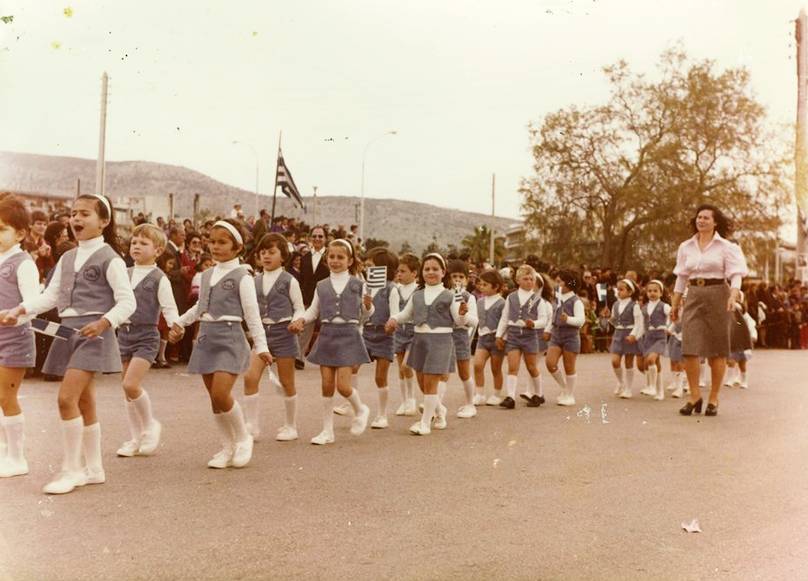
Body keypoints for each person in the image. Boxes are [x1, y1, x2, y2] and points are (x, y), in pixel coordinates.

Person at [1, 194, 136, 494]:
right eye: (73, 213)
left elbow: (128, 302)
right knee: (85, 401)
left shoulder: (110, 258)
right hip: (67, 333)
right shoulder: (67, 258)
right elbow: (50, 296)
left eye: (85, 213)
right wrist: (21, 309)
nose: (76, 218)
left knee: (66, 399)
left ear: (104, 221)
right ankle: (94, 468)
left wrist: (104, 322)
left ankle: (72, 470)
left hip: (94, 334)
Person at [169, 220, 271, 468]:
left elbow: (252, 315)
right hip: (206, 338)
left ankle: (243, 438)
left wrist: (262, 346)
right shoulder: (205, 275)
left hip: (230, 337)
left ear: (237, 247)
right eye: (212, 242)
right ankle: (227, 446)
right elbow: (199, 307)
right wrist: (180, 323)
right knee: (215, 400)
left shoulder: (243, 277)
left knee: (220, 393)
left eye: (222, 242)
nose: (215, 247)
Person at [288, 239, 372, 445]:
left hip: (348, 335)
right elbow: (313, 311)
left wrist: (368, 306)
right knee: (326, 385)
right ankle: (327, 431)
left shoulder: (358, 284)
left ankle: (360, 409)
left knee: (343, 386)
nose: (335, 261)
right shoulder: (322, 285)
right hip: (327, 335)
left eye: (340, 257)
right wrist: (300, 320)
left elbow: (366, 314)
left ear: (349, 261)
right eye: (331, 257)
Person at [671, 204, 748, 417]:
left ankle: (713, 398)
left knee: (717, 350)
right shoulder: (686, 246)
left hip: (718, 295)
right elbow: (681, 277)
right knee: (690, 348)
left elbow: (736, 274)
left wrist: (733, 295)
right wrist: (675, 303)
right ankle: (694, 396)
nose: (701, 220)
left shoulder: (726, 247)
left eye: (706, 218)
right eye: (699, 217)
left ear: (715, 222)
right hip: (694, 294)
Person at [385, 253, 468, 436]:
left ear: (443, 272)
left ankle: (425, 424)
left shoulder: (449, 295)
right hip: (420, 341)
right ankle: (440, 412)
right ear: (422, 272)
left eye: (435, 269)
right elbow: (405, 314)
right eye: (427, 269)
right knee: (423, 383)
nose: (431, 272)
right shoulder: (417, 295)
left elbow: (459, 321)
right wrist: (394, 319)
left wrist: (463, 314)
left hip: (440, 341)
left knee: (431, 382)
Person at [115, 224, 180, 458]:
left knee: (130, 384)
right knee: (127, 391)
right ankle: (135, 438)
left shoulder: (159, 278)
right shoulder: (124, 273)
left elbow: (169, 307)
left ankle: (150, 425)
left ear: (158, 250)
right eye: (134, 242)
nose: (136, 246)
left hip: (146, 336)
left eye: (143, 243)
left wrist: (175, 325)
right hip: (124, 334)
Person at [242, 233, 304, 442]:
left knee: (287, 382)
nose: (266, 256)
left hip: (284, 333)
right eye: (263, 252)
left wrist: (297, 321)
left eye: (272, 252)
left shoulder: (289, 280)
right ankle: (252, 427)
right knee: (250, 377)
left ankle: (291, 426)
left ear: (283, 256)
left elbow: (299, 308)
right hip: (262, 335)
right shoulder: (253, 281)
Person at [0, 195, 39, 478]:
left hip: (15, 340)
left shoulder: (23, 263)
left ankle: (17, 458)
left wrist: (15, 315)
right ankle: (5, 453)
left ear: (21, 234)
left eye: (2, 229)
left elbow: (33, 304)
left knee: (6, 397)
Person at [495, 265, 552, 409]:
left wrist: (534, 324)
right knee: (512, 366)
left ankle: (539, 394)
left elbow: (544, 319)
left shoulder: (537, 300)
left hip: (530, 336)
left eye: (531, 279)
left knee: (531, 367)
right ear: (518, 280)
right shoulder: (511, 297)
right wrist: (499, 335)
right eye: (525, 279)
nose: (529, 281)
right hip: (513, 335)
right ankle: (510, 397)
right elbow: (504, 317)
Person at [358, 248, 400, 429]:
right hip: (367, 333)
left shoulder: (391, 288)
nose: (366, 269)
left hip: (385, 335)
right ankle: (352, 404)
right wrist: (365, 307)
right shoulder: (365, 287)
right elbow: (361, 314)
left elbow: (395, 313)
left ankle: (382, 415)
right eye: (366, 265)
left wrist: (392, 322)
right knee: (352, 368)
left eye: (370, 265)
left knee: (380, 377)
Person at [544, 270, 584, 406]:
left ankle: (570, 395)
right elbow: (553, 317)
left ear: (569, 283)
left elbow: (581, 321)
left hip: (571, 336)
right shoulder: (557, 299)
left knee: (569, 367)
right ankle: (564, 387)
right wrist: (547, 330)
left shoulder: (576, 301)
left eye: (559, 281)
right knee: (550, 363)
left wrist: (568, 319)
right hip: (556, 334)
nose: (557, 284)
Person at [446, 259, 479, 418]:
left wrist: (463, 315)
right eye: (454, 276)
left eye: (461, 276)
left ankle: (470, 404)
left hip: (460, 335)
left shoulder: (469, 297)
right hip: (444, 335)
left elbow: (475, 321)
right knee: (442, 372)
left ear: (466, 279)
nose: (457, 280)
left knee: (464, 372)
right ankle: (435, 404)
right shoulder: (444, 294)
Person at [472, 269, 506, 406]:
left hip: (497, 339)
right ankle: (479, 394)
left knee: (495, 368)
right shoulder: (479, 302)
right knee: (477, 365)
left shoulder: (502, 303)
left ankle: (497, 394)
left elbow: (505, 322)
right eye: (480, 284)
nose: (481, 287)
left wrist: (502, 338)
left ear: (496, 286)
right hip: (482, 338)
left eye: (485, 284)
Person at [297, 226, 330, 369]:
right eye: (315, 236)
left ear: (325, 238)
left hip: (327, 299)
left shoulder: (330, 256)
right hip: (308, 300)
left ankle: (329, 357)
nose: (317, 239)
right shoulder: (304, 258)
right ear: (310, 238)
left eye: (320, 236)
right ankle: (298, 357)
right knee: (304, 329)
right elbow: (302, 280)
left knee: (328, 329)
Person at [393, 253, 419, 416]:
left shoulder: (419, 290)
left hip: (414, 332)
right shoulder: (396, 290)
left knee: (406, 366)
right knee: (400, 368)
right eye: (398, 271)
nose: (399, 274)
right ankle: (403, 401)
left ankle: (411, 400)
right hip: (399, 332)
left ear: (414, 273)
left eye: (403, 271)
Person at [609, 279, 643, 399]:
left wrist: (634, 335)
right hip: (618, 334)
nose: (618, 292)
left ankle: (628, 388)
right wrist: (610, 319)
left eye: (621, 289)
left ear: (630, 292)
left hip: (629, 334)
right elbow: (615, 321)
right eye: (617, 289)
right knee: (615, 361)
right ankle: (621, 382)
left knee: (629, 362)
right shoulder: (615, 304)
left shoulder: (635, 305)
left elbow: (639, 323)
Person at [639, 279, 671, 402]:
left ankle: (652, 386)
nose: (652, 293)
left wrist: (668, 327)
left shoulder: (664, 306)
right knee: (655, 363)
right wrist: (637, 335)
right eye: (649, 291)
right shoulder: (644, 308)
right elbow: (641, 324)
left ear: (661, 293)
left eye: (655, 291)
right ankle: (660, 391)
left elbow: (673, 316)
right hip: (648, 337)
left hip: (659, 337)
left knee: (651, 359)